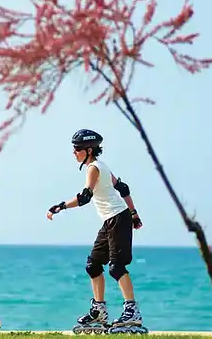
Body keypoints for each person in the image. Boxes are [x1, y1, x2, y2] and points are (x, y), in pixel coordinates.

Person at [46, 129, 145, 328]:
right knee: (93, 264)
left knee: (116, 267)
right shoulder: (101, 165)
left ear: (88, 150)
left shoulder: (94, 168)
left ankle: (132, 311)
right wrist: (134, 213)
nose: (74, 153)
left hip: (117, 218)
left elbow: (85, 197)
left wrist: (61, 206)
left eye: (77, 149)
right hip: (111, 220)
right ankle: (99, 311)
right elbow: (122, 187)